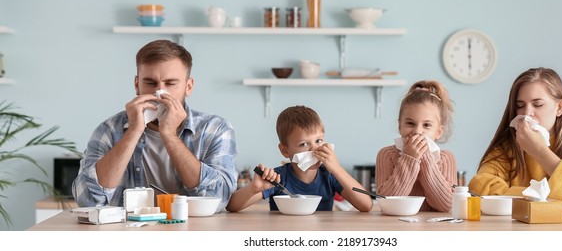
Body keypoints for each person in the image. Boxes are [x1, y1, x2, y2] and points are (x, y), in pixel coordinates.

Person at [73, 40, 238, 211]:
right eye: (150, 83)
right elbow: (87, 201)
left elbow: (219, 198)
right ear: (137, 85)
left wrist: (170, 136)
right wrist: (133, 132)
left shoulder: (215, 129)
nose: (159, 93)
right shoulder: (108, 131)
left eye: (170, 83)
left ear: (188, 87)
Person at [468, 67, 562, 214]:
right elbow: (479, 188)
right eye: (520, 106)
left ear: (559, 108)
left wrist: (540, 152)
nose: (527, 113)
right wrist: (546, 197)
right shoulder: (506, 150)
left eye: (538, 104)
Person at [226, 105, 372, 212]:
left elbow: (366, 205)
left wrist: (337, 168)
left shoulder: (329, 176)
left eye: (319, 141)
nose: (314, 149)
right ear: (285, 150)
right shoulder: (278, 179)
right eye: (304, 144)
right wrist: (254, 188)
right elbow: (232, 206)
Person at [375, 80, 457, 212]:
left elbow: (447, 205)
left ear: (439, 132)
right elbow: (388, 203)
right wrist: (409, 159)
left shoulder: (446, 159)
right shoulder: (386, 155)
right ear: (399, 126)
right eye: (410, 123)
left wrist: (425, 158)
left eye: (426, 125)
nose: (418, 131)